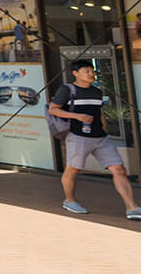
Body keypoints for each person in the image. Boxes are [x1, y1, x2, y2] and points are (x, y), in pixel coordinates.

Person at [50, 59, 141, 219]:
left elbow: (99, 113)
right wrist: (77, 116)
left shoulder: (96, 91)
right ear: (75, 74)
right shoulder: (67, 90)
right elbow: (53, 110)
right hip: (78, 137)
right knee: (73, 169)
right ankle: (69, 200)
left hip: (101, 138)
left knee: (119, 170)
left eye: (92, 71)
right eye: (87, 71)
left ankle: (132, 208)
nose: (91, 74)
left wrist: (105, 131)